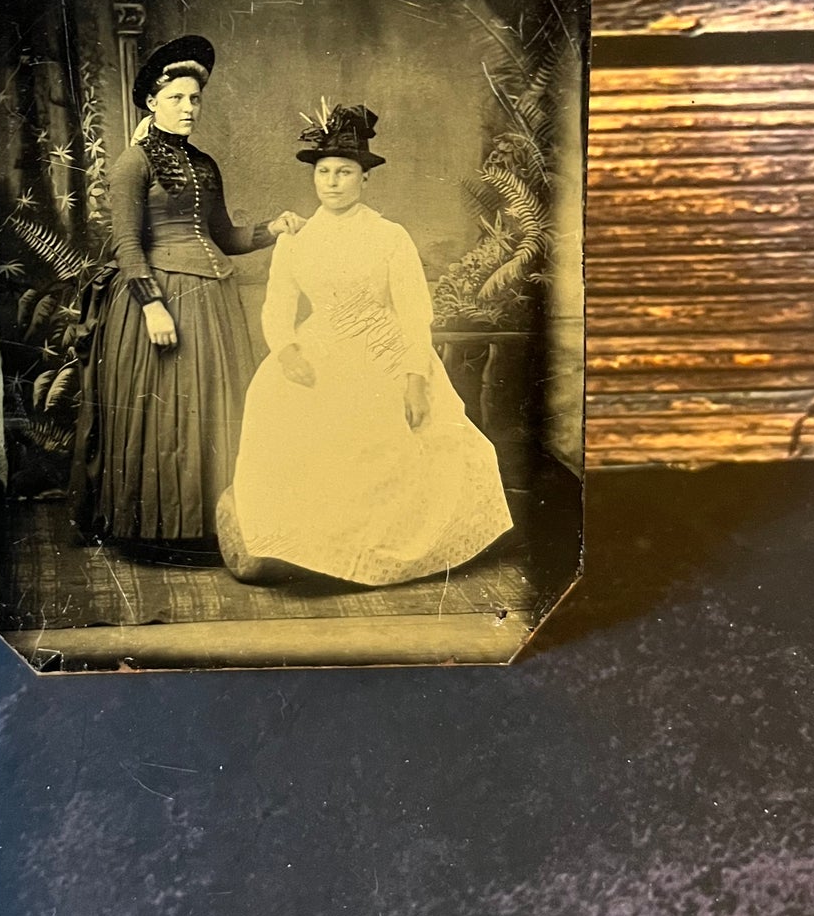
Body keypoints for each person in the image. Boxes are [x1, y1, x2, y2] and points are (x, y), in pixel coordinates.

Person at [217, 103, 512, 586]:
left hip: (385, 354)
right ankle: (305, 547)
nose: (333, 182)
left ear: (364, 179)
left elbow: (415, 314)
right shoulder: (296, 239)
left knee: (409, 438)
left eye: (345, 172)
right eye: (325, 172)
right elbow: (278, 308)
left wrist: (416, 380)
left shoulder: (389, 238)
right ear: (314, 178)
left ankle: (371, 554)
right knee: (274, 401)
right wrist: (287, 351)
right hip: (318, 348)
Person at [70, 36, 303, 556]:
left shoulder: (204, 165)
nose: (188, 108)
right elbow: (129, 244)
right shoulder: (134, 162)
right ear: (152, 102)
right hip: (159, 303)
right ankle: (157, 534)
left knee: (216, 413)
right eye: (177, 98)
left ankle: (211, 528)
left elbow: (225, 237)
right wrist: (152, 304)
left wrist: (273, 228)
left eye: (195, 99)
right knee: (169, 419)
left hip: (214, 305)